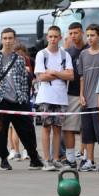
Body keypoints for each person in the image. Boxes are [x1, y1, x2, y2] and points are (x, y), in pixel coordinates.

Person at [0, 28, 43, 171]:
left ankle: (34, 158)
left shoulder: (19, 59)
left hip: (19, 100)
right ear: (1, 40)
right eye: (5, 38)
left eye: (10, 38)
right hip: (2, 100)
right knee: (1, 132)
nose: (7, 41)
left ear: (14, 39)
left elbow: (23, 80)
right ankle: (3, 159)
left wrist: (25, 96)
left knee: (28, 129)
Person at [34, 25, 74, 171]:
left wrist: (54, 72)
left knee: (58, 129)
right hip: (46, 97)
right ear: (47, 38)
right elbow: (42, 77)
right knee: (46, 128)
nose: (53, 39)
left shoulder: (65, 55)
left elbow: (71, 75)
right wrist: (60, 73)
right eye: (50, 36)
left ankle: (56, 159)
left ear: (60, 38)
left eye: (55, 36)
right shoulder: (41, 54)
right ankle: (47, 160)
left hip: (61, 97)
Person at [63, 22, 89, 168]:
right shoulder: (68, 52)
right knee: (68, 127)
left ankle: (87, 158)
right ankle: (71, 158)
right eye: (71, 33)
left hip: (90, 94)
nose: (73, 36)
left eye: (76, 33)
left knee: (86, 127)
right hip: (71, 94)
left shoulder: (90, 49)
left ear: (82, 33)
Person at [78, 24, 99, 171]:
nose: (89, 38)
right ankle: (90, 161)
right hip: (86, 100)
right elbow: (82, 77)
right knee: (87, 133)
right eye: (88, 35)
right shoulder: (83, 54)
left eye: (92, 35)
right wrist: (81, 95)